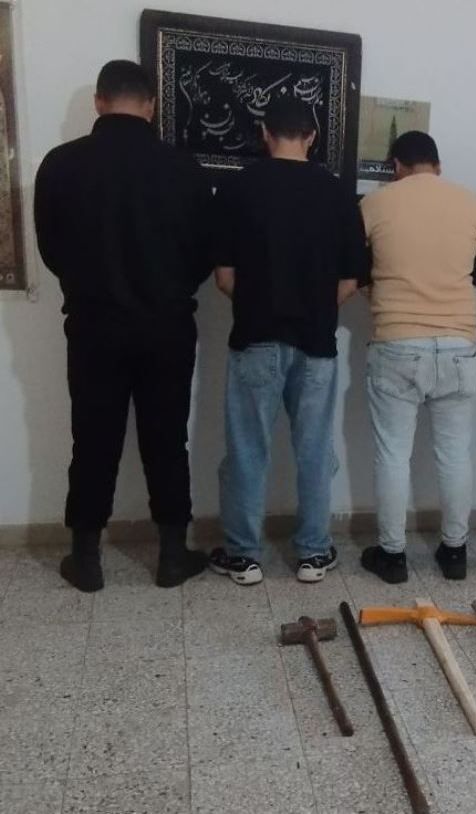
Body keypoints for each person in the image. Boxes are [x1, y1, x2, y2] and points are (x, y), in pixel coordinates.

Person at [34, 60, 214, 592]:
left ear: (99, 100)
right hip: (167, 325)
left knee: (92, 439)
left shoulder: (61, 165)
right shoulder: (184, 168)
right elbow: (203, 253)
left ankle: (85, 559)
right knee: (167, 440)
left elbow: (51, 248)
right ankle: (172, 556)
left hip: (93, 325)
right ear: (151, 105)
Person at [208, 96, 367, 586]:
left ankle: (243, 556)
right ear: (312, 136)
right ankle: (314, 554)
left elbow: (224, 278)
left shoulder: (236, 188)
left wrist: (260, 303)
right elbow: (350, 280)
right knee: (315, 450)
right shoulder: (338, 193)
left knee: (247, 450)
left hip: (254, 336)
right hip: (316, 342)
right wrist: (314, 307)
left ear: (264, 132)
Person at [358, 131, 476, 584]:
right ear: (437, 164)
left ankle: (393, 556)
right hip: (458, 344)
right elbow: (475, 273)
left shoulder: (373, 205)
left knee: (393, 454)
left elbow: (359, 272)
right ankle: (454, 552)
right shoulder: (473, 204)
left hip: (397, 343)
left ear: (395, 165)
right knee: (454, 453)